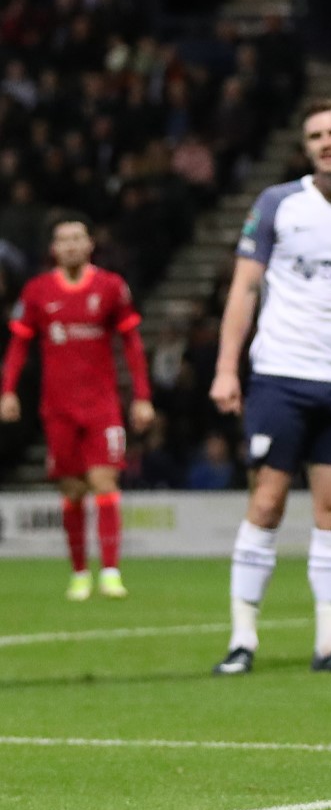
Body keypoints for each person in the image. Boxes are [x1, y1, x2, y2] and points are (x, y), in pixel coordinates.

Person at [208, 98, 331, 675]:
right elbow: (243, 290)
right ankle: (242, 640)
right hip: (280, 376)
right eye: (315, 135)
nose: (326, 142)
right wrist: (227, 367)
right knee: (266, 502)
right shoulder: (278, 205)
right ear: (307, 147)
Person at [1, 212, 154, 600]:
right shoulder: (37, 292)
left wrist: (141, 397)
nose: (70, 245)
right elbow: (18, 345)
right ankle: (80, 572)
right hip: (58, 408)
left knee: (105, 482)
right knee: (71, 492)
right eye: (63, 240)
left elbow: (132, 344)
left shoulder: (110, 287)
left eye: (77, 238)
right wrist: (7, 390)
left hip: (102, 406)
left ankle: (111, 571)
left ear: (89, 245)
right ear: (54, 250)